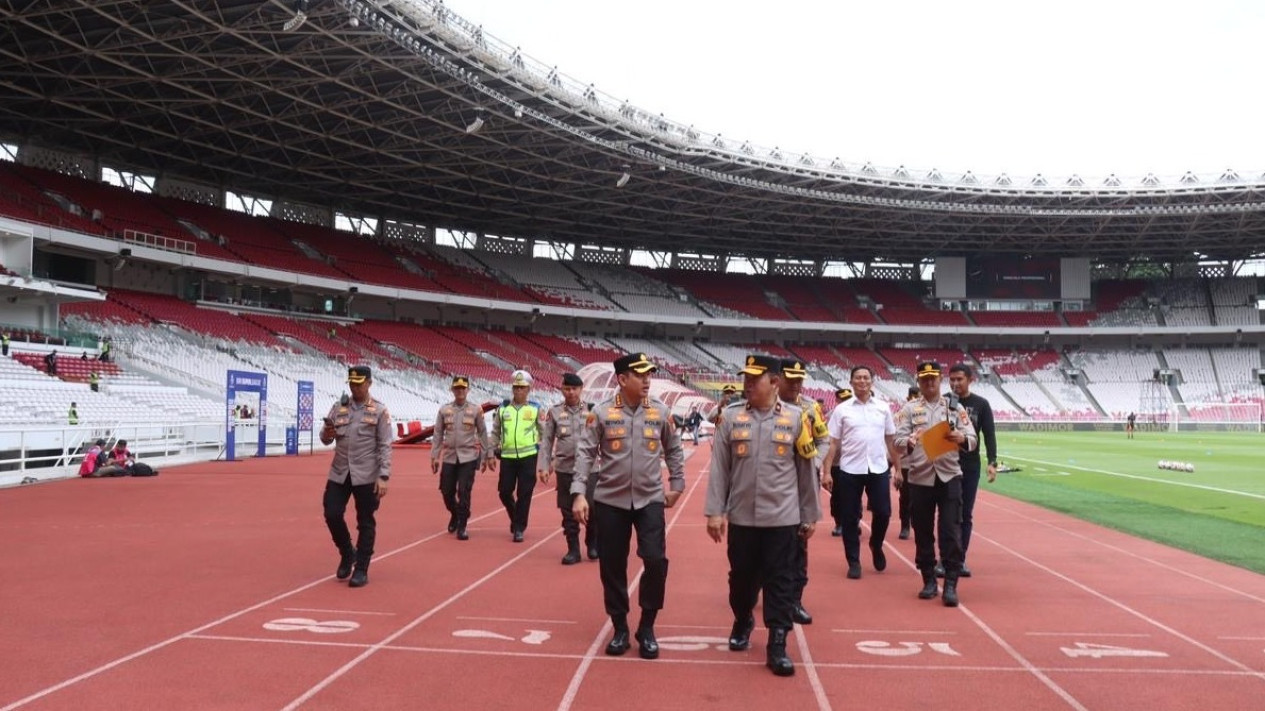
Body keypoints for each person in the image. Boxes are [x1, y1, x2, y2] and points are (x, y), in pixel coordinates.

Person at [707, 355, 820, 677]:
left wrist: (809, 514)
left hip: (782, 517)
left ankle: (778, 643)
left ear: (774, 382)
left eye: (755, 378)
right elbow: (719, 470)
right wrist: (715, 512)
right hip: (742, 517)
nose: (748, 383)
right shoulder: (730, 418)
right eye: (746, 377)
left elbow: (806, 471)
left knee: (780, 581)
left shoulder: (797, 419)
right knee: (741, 582)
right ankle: (743, 618)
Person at [572, 352, 685, 661]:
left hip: (650, 499)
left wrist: (677, 485)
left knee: (655, 560)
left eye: (649, 374)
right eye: (641, 374)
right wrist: (579, 493)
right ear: (623, 380)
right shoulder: (603, 413)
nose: (648, 379)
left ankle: (647, 627)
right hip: (610, 501)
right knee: (612, 565)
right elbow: (584, 453)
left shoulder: (660, 412)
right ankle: (620, 626)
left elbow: (674, 450)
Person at [894, 362, 977, 607]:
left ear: (939, 380)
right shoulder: (909, 409)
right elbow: (897, 442)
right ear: (919, 381)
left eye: (933, 378)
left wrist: (961, 438)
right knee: (922, 531)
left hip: (949, 475)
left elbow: (971, 437)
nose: (929, 383)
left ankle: (951, 582)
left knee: (951, 531)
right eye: (924, 379)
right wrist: (908, 441)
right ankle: (928, 579)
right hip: (920, 477)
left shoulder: (954, 407)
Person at [820, 366, 899, 580]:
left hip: (878, 467)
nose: (862, 381)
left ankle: (876, 544)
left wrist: (899, 469)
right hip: (849, 469)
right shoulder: (842, 410)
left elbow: (890, 440)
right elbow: (833, 443)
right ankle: (853, 561)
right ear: (851, 382)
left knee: (883, 512)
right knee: (849, 517)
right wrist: (827, 471)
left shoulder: (883, 408)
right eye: (858, 378)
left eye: (866, 377)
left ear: (872, 381)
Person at [319, 365, 392, 588]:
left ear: (369, 383)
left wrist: (384, 476)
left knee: (365, 521)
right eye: (352, 383)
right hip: (340, 471)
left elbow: (385, 445)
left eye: (359, 383)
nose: (355, 387)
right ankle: (347, 552)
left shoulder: (379, 410)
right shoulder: (339, 407)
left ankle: (361, 568)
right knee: (332, 513)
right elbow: (325, 437)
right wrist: (327, 433)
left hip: (367, 473)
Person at [777, 359, 829, 625]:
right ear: (778, 378)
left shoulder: (810, 407)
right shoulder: (764, 403)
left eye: (800, 379)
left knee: (799, 542)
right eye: (791, 379)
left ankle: (795, 599)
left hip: (801, 486)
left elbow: (823, 440)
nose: (796, 384)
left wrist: (814, 464)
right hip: (771, 484)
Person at [539, 372, 597, 564]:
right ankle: (573, 549)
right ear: (562, 389)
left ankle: (592, 543)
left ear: (581, 390)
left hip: (590, 469)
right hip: (565, 469)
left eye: (574, 389)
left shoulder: (592, 410)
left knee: (593, 508)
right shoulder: (554, 412)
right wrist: (544, 466)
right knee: (567, 511)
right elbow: (547, 441)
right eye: (567, 389)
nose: (571, 392)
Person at [946, 363, 997, 577]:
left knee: (965, 514)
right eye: (952, 380)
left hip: (970, 466)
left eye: (960, 379)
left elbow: (989, 434)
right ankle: (946, 558)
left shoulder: (981, 404)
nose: (956, 383)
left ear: (970, 379)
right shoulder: (944, 402)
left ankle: (959, 559)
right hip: (946, 464)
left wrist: (992, 462)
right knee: (948, 515)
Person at [431, 375, 490, 541]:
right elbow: (438, 433)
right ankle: (455, 513)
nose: (460, 391)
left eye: (463, 388)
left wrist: (486, 456)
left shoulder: (476, 410)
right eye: (457, 388)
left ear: (468, 390)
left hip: (468, 457)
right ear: (452, 390)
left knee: (464, 491)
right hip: (449, 456)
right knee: (446, 491)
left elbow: (483, 433)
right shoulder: (444, 410)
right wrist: (435, 456)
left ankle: (462, 526)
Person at [488, 370, 541, 543]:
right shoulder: (503, 409)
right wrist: (490, 451)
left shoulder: (535, 409)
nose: (518, 391)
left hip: (528, 456)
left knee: (524, 493)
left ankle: (519, 528)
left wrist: (547, 454)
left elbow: (545, 432)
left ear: (529, 389)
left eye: (522, 388)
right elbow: (495, 432)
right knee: (504, 491)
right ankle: (515, 517)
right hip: (508, 457)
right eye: (516, 387)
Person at [828, 386, 853, 537]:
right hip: (837, 462)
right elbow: (828, 440)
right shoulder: (832, 415)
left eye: (847, 399)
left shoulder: (858, 413)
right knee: (837, 494)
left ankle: (853, 522)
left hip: (853, 461)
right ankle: (839, 522)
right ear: (837, 400)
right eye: (842, 399)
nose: (845, 402)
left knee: (854, 495)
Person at [896, 385, 920, 540]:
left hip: (923, 461)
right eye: (913, 397)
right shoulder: (902, 413)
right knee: (905, 496)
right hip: (906, 461)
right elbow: (895, 440)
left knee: (920, 496)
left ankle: (916, 523)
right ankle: (905, 525)